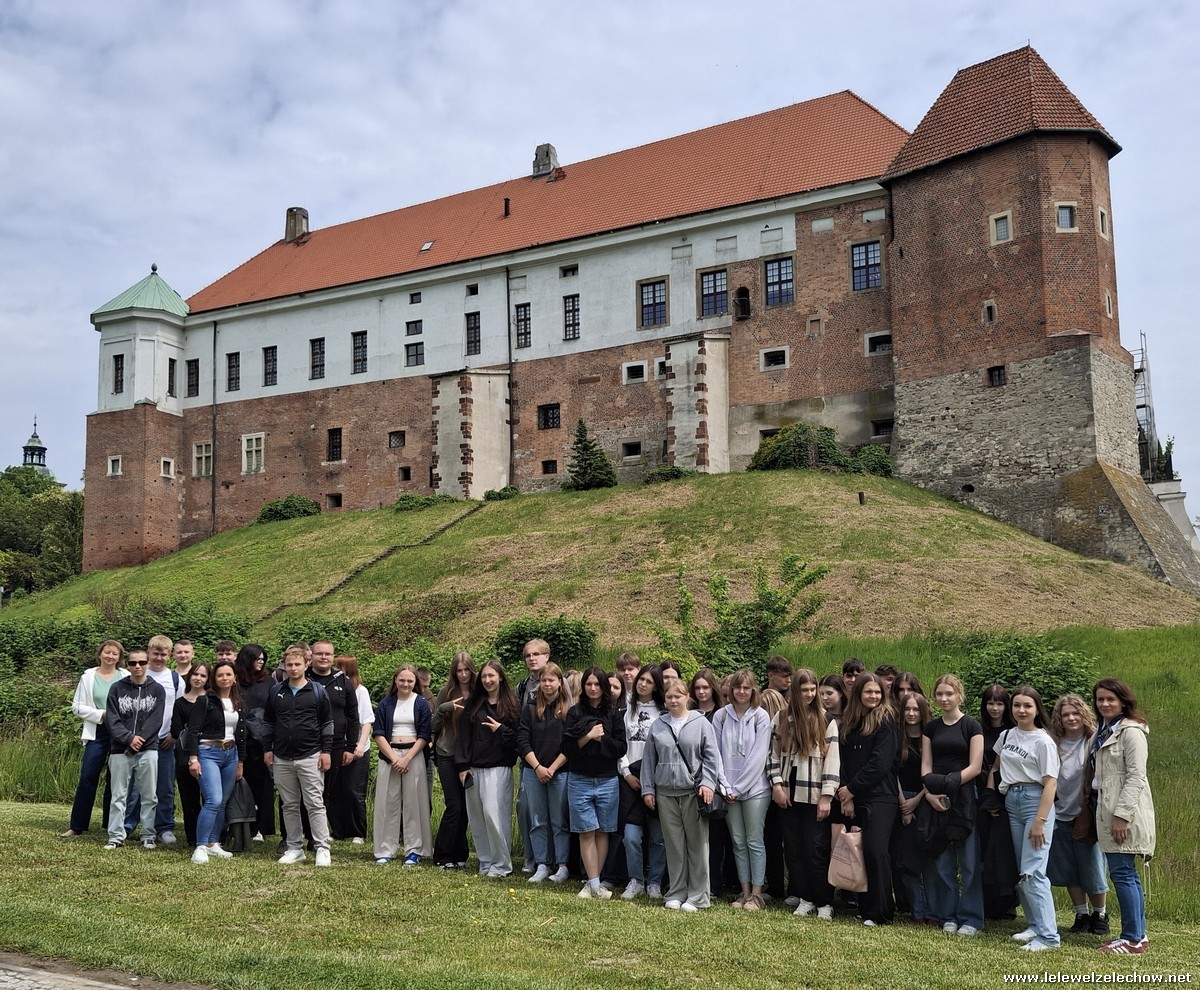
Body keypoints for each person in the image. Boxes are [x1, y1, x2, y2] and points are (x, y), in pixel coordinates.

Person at [988, 685, 1060, 952]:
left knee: (1034, 872)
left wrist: (1040, 820)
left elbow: (1051, 784)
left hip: (1035, 802)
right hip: (1012, 801)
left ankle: (1049, 937)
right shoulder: (1007, 735)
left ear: (1036, 708)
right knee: (1023, 870)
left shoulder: (1043, 741)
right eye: (1017, 705)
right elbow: (996, 768)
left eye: (1027, 706)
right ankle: (1034, 925)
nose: (1021, 710)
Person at [641, 678, 720, 911]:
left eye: (678, 696)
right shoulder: (658, 724)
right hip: (665, 793)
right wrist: (648, 789)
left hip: (692, 792)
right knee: (674, 845)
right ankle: (676, 892)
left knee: (697, 844)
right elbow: (648, 760)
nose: (673, 700)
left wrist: (708, 783)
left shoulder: (701, 722)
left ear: (687, 697)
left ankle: (698, 896)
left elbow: (712, 757)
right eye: (669, 696)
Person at [1091, 678, 1155, 955]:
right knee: (1125, 874)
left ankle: (1131, 938)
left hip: (1122, 813)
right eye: (1100, 699)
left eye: (1110, 699)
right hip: (1106, 809)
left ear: (1123, 701)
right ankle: (1138, 935)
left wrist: (1122, 816)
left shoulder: (1131, 732)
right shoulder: (1103, 730)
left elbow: (1137, 777)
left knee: (1123, 874)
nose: (1104, 704)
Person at [769, 668, 839, 919]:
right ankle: (805, 897)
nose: (809, 694)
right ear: (795, 692)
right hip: (788, 791)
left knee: (816, 848)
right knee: (794, 848)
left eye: (813, 689)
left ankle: (824, 901)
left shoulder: (826, 720)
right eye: (804, 690)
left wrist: (827, 796)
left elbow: (832, 761)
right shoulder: (781, 717)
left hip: (814, 793)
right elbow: (773, 754)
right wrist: (777, 785)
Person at [921, 674, 985, 937]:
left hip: (965, 798)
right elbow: (925, 767)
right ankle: (947, 915)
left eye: (949, 694)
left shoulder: (971, 725)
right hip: (936, 797)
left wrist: (951, 782)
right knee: (943, 862)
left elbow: (975, 766)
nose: (944, 699)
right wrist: (930, 794)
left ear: (959, 695)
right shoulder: (931, 728)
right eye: (939, 694)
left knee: (969, 863)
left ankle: (971, 919)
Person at [835, 673, 899, 926]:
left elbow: (880, 764)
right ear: (859, 693)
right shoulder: (849, 724)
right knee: (859, 852)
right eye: (868, 692)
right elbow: (843, 764)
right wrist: (846, 795)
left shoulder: (887, 721)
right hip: (854, 798)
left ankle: (881, 912)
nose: (873, 696)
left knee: (876, 851)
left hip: (881, 798)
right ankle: (865, 908)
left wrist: (851, 789)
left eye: (877, 692)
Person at [264, 646, 334, 867]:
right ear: (284, 666)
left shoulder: (317, 691)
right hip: (282, 756)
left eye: (297, 664)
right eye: (289, 665)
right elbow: (268, 723)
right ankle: (294, 847)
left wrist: (326, 751)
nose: (293, 668)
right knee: (289, 804)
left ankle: (322, 847)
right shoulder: (276, 691)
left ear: (306, 665)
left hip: (311, 754)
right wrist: (268, 749)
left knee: (314, 803)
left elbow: (327, 723)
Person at [1048, 694, 1109, 937]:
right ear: (1059, 719)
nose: (1071, 718)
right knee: (1068, 869)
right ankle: (1081, 914)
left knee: (1092, 867)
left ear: (1084, 714)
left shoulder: (1094, 741)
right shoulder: (1054, 743)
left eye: (1075, 713)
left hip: (1085, 814)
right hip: (1059, 813)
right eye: (1065, 715)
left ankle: (1100, 914)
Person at [564, 665, 627, 899]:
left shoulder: (614, 713)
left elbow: (621, 748)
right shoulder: (575, 712)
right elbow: (567, 748)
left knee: (603, 832)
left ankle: (595, 882)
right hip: (579, 779)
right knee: (586, 832)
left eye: (597, 684)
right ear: (583, 687)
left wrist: (602, 741)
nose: (592, 688)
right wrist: (588, 737)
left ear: (604, 687)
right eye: (588, 684)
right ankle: (592, 884)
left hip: (607, 780)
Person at [456, 660, 520, 877]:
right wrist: (463, 765)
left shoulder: (512, 704)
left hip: (499, 768)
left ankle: (502, 865)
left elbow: (519, 740)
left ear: (500, 677)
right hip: (474, 768)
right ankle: (485, 861)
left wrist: (501, 730)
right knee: (477, 817)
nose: (488, 680)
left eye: (492, 676)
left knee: (494, 816)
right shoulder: (474, 704)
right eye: (484, 676)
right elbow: (464, 736)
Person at [715, 669, 773, 911]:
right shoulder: (720, 716)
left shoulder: (760, 717)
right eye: (737, 687)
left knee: (754, 840)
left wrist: (737, 788)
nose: (741, 692)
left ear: (753, 690)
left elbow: (759, 757)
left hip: (755, 790)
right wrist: (724, 785)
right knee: (738, 842)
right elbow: (714, 753)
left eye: (746, 688)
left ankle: (757, 895)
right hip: (727, 790)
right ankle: (745, 891)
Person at [63, 640, 128, 838]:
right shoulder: (88, 677)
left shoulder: (125, 676)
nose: (110, 656)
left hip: (120, 732)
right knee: (88, 777)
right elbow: (77, 707)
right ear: (100, 654)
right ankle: (77, 825)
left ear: (119, 657)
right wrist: (102, 714)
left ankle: (111, 824)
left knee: (115, 779)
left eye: (114, 654)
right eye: (107, 652)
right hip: (97, 731)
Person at [103, 648, 167, 850]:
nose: (137, 667)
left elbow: (157, 719)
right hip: (119, 750)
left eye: (141, 662)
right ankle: (115, 835)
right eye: (132, 663)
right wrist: (128, 738)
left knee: (149, 795)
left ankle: (148, 834)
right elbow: (112, 719)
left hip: (148, 749)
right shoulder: (116, 689)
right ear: (127, 665)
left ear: (148, 663)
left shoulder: (157, 690)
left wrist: (141, 739)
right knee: (118, 795)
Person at [186, 658, 246, 864]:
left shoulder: (238, 701)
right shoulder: (204, 700)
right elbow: (192, 731)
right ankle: (200, 846)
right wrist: (193, 759)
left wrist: (241, 761)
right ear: (214, 678)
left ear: (235, 677)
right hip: (207, 751)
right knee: (213, 799)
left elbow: (241, 732)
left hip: (231, 754)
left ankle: (213, 844)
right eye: (220, 675)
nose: (224, 678)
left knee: (222, 802)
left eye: (228, 674)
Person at [373, 664, 433, 866]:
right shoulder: (386, 704)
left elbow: (425, 734)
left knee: (413, 804)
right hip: (389, 757)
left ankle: (414, 850)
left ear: (415, 683)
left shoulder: (421, 704)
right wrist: (394, 758)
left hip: (413, 756)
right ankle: (385, 849)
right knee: (387, 804)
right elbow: (378, 733)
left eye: (410, 681)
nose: (406, 684)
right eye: (402, 680)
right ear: (396, 681)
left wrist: (406, 758)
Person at [518, 661, 571, 883]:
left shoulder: (569, 710)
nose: (547, 684)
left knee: (559, 822)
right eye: (543, 680)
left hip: (559, 772)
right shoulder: (530, 708)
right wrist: (538, 767)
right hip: (533, 771)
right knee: (538, 820)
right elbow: (522, 740)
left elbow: (570, 744)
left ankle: (562, 865)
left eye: (551, 680)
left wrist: (551, 768)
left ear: (560, 682)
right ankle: (542, 864)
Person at [618, 663, 666, 901]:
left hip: (657, 779)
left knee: (658, 837)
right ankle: (636, 879)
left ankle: (655, 881)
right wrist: (626, 772)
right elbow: (620, 743)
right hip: (630, 777)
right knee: (630, 836)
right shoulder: (627, 709)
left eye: (648, 681)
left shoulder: (665, 712)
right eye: (641, 680)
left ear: (657, 685)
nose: (643, 684)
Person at [305, 640, 359, 842]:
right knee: (309, 791)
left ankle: (322, 833)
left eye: (328, 654)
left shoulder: (342, 681)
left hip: (337, 744)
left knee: (328, 791)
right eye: (319, 654)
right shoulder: (304, 678)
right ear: (311, 656)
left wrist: (351, 746)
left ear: (333, 657)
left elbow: (353, 716)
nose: (323, 658)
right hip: (307, 743)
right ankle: (308, 834)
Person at [978, 683, 1018, 920]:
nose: (995, 708)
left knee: (1006, 849)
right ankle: (987, 900)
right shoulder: (977, 729)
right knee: (984, 850)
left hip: (1007, 793)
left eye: (1000, 703)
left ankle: (1008, 902)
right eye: (991, 703)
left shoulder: (1013, 732)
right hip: (983, 794)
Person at [432, 652, 475, 868]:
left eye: (467, 669)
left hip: (468, 757)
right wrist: (444, 708)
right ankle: (442, 854)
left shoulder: (479, 693)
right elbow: (432, 725)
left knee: (466, 807)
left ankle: (460, 854)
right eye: (460, 670)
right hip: (446, 754)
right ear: (454, 672)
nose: (464, 674)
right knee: (454, 805)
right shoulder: (445, 692)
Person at [895, 692, 932, 923]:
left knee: (926, 860)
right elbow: (893, 771)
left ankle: (931, 910)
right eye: (907, 709)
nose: (911, 713)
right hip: (899, 799)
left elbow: (931, 772)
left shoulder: (930, 736)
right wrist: (903, 804)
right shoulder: (897, 737)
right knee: (905, 858)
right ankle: (917, 912)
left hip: (925, 799)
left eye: (916, 709)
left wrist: (916, 800)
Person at [515, 639, 551, 873]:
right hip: (528, 761)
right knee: (525, 808)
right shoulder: (522, 687)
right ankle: (532, 858)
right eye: (528, 655)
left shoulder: (559, 682)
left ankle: (557, 862)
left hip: (557, 762)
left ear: (547, 656)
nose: (532, 658)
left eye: (537, 654)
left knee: (556, 816)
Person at [233, 644, 274, 842]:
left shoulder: (268, 681)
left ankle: (260, 827)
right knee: (238, 783)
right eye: (257, 658)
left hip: (260, 741)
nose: (261, 662)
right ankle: (237, 825)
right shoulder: (234, 679)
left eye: (263, 659)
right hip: (237, 740)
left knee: (261, 785)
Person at [171, 662, 210, 849]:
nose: (198, 678)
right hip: (185, 757)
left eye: (203, 675)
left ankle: (211, 836)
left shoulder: (212, 701)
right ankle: (192, 838)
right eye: (195, 674)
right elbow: (176, 729)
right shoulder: (180, 703)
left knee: (210, 798)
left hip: (210, 756)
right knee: (190, 800)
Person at [336, 655, 373, 845]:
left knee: (354, 791)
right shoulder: (333, 688)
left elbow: (367, 721)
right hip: (336, 746)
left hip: (358, 748)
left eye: (341, 667)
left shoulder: (361, 691)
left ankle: (359, 832)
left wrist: (359, 745)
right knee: (335, 791)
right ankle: (338, 830)